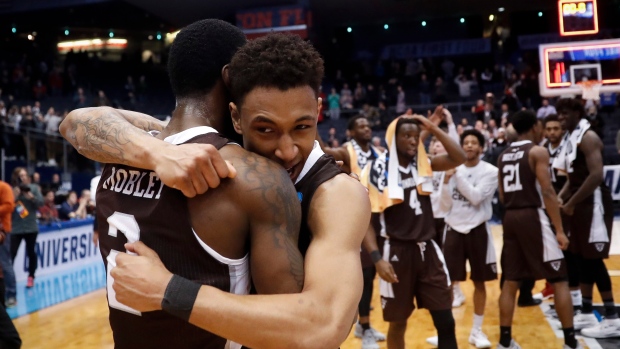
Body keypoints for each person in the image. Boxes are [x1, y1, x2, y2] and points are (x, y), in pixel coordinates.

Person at [60, 31, 369, 348]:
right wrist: (157, 152)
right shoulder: (174, 153)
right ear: (236, 108)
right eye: (265, 129)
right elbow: (75, 122)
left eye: (302, 127)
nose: (288, 150)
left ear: (317, 113)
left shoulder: (337, 192)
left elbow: (322, 326)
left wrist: (168, 290)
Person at [361, 114, 466, 349]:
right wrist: (377, 259)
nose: (412, 140)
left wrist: (432, 127)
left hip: (428, 249)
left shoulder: (424, 162)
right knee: (398, 324)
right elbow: (366, 219)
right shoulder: (377, 170)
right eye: (406, 136)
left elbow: (459, 157)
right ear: (393, 138)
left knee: (446, 321)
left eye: (415, 136)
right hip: (395, 252)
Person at [496, 111, 579, 349]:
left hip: (510, 217)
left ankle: (505, 342)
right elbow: (548, 191)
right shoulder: (537, 151)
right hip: (532, 215)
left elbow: (502, 195)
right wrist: (560, 230)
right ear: (534, 126)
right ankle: (570, 343)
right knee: (560, 278)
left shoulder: (503, 155)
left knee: (510, 281)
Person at [318, 114, 387, 349]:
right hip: (355, 217)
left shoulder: (377, 153)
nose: (367, 128)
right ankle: (363, 327)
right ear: (351, 132)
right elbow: (324, 149)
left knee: (372, 274)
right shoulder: (348, 151)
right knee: (364, 274)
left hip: (377, 216)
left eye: (368, 125)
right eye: (361, 126)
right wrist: (313, 123)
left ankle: (362, 324)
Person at [554, 99, 619, 338]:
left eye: (565, 113)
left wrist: (570, 202)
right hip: (580, 203)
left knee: (593, 260)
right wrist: (561, 198)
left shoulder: (588, 137)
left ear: (577, 113)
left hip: (595, 203)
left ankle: (612, 318)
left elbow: (595, 175)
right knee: (580, 257)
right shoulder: (571, 138)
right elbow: (573, 178)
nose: (561, 117)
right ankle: (587, 311)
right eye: (558, 113)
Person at [439, 129, 498, 349]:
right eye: (466, 143)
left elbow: (475, 197)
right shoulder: (451, 170)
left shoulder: (490, 171)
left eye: (474, 143)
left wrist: (456, 174)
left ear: (481, 148)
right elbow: (444, 205)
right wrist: (445, 183)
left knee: (479, 282)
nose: (470, 146)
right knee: (447, 284)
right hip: (453, 228)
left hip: (477, 230)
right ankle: (445, 333)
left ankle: (477, 331)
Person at [10, 167, 43, 289]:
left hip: (31, 227)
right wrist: (14, 196)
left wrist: (31, 197)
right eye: (20, 175)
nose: (23, 177)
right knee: (11, 253)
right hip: (16, 227)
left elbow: (41, 203)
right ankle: (10, 280)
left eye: (24, 175)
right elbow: (7, 206)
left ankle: (31, 277)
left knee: (31, 253)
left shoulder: (33, 188)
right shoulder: (11, 190)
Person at [0, 179, 17, 307]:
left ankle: (11, 295)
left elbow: (9, 206)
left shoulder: (4, 187)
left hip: (3, 231)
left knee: (5, 264)